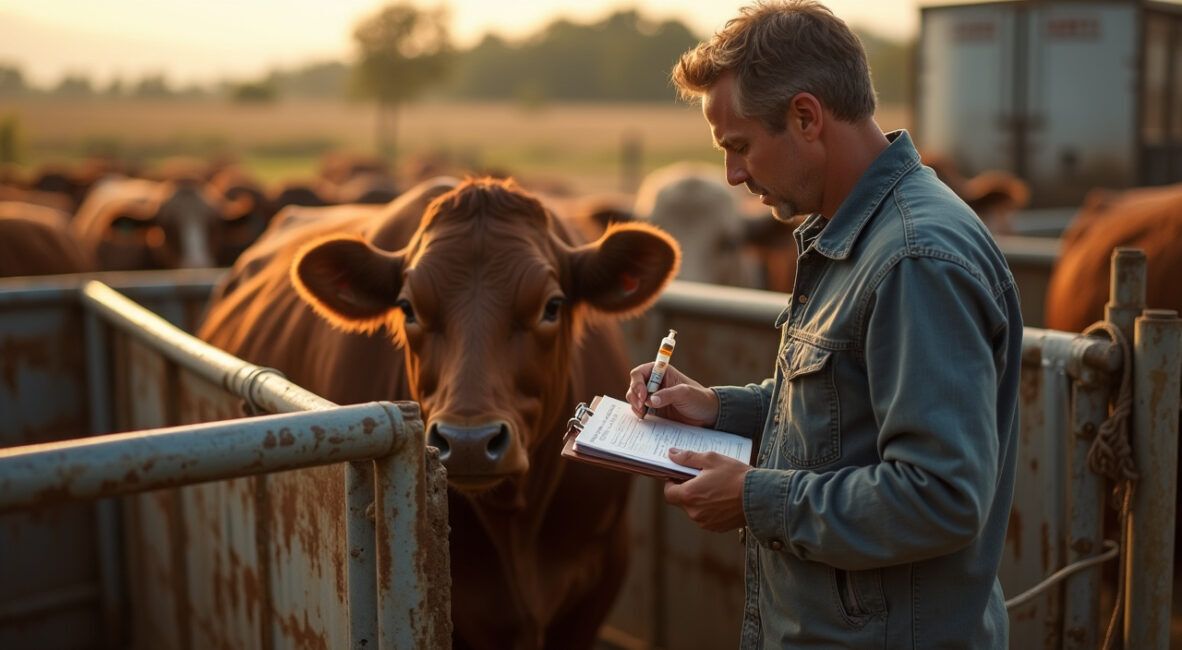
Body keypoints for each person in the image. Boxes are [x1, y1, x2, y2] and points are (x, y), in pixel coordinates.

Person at [624, 2, 1023, 648]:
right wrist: (713, 409)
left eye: (740, 146)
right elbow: (844, 411)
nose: (733, 174)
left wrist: (754, 499)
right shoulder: (855, 233)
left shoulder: (912, 258)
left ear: (806, 117)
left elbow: (941, 495)